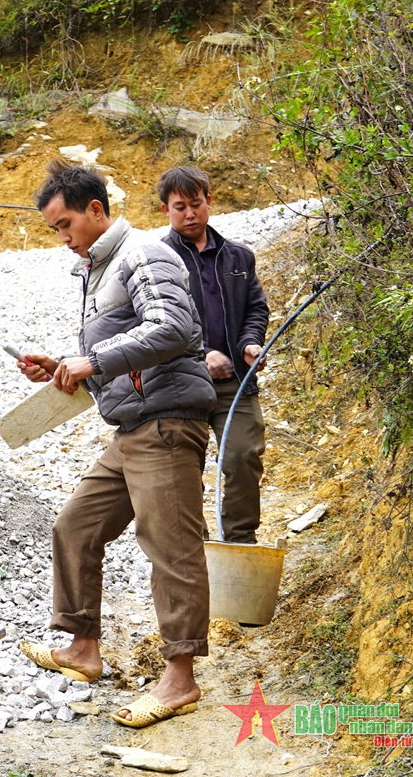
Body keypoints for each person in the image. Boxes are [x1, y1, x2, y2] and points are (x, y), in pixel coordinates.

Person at [14, 158, 215, 729]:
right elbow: (129, 348)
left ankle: (180, 678)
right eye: (55, 230)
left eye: (64, 226)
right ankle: (82, 647)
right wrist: (67, 366)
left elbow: (174, 328)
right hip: (132, 428)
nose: (62, 240)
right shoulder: (99, 268)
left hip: (168, 425)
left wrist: (92, 359)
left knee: (170, 547)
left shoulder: (143, 253)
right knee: (76, 525)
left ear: (96, 210)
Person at [158, 165, 271, 545]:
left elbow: (256, 308)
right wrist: (203, 353)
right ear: (165, 211)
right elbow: (154, 321)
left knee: (242, 456)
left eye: (196, 204)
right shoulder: (156, 261)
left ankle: (240, 542)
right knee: (182, 474)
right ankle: (195, 549)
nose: (189, 214)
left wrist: (249, 345)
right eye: (179, 207)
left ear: (209, 201)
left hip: (235, 383)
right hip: (178, 386)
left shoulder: (239, 257)